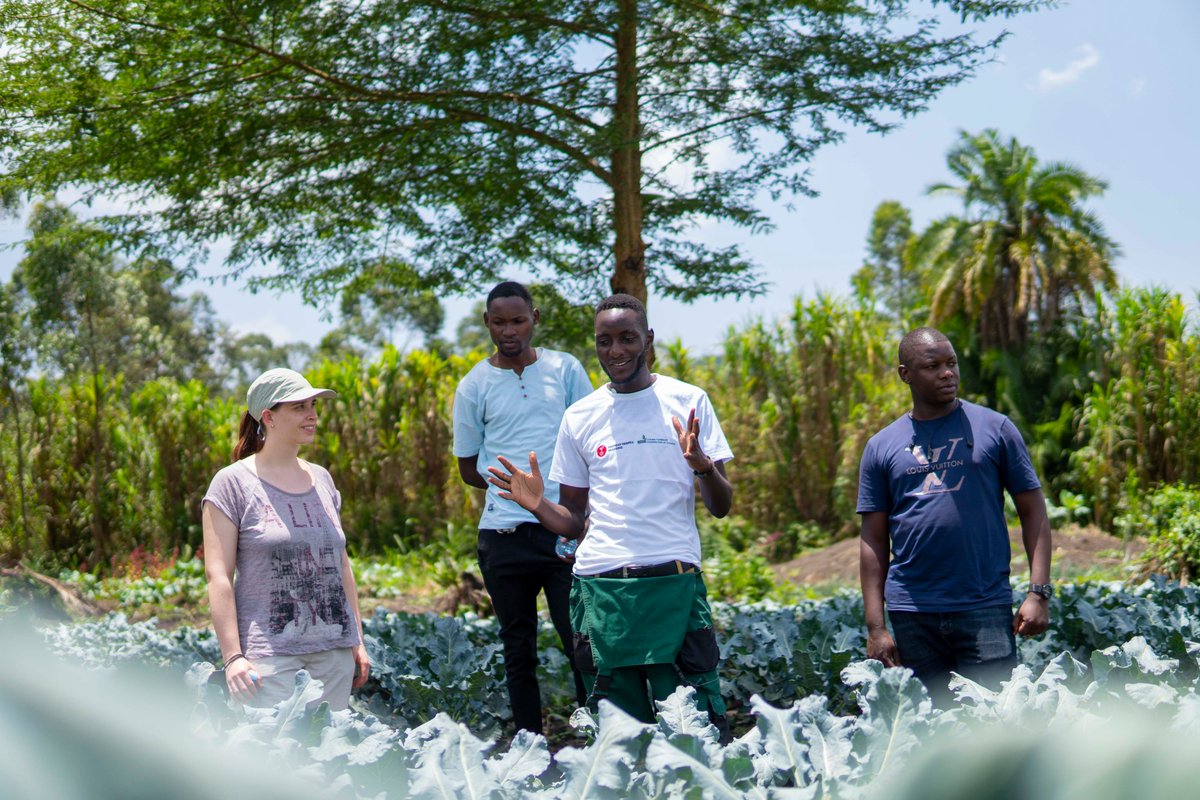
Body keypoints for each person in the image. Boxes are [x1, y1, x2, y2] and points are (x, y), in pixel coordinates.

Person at [487, 293, 734, 739]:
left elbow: (721, 505)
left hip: (673, 585)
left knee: (697, 730)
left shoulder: (688, 401)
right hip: (602, 592)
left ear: (648, 339)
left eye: (627, 338)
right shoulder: (581, 416)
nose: (615, 351)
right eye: (604, 341)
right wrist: (538, 506)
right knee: (619, 738)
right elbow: (575, 522)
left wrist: (703, 466)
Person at [857, 327, 1053, 705]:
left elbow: (1034, 511)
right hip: (913, 612)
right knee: (931, 731)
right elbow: (873, 540)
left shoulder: (995, 429)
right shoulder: (881, 446)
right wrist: (876, 626)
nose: (947, 373)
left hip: (983, 605)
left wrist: (1038, 591)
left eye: (952, 363)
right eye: (933, 366)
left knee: (995, 726)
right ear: (905, 374)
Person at [452, 281, 593, 734]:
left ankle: (596, 737)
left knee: (580, 644)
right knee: (519, 648)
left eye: (517, 320)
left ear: (535, 317)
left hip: (562, 532)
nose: (508, 331)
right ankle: (533, 747)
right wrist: (513, 491)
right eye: (499, 322)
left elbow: (590, 442)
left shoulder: (565, 370)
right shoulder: (474, 386)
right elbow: (469, 467)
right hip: (503, 538)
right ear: (487, 323)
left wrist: (559, 505)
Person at [202, 367, 370, 710]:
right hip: (270, 662)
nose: (312, 416)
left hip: (334, 657)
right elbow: (218, 577)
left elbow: (341, 565)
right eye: (299, 407)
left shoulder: (322, 479)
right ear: (269, 417)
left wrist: (357, 640)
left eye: (313, 406)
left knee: (330, 760)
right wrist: (233, 657)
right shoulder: (231, 484)